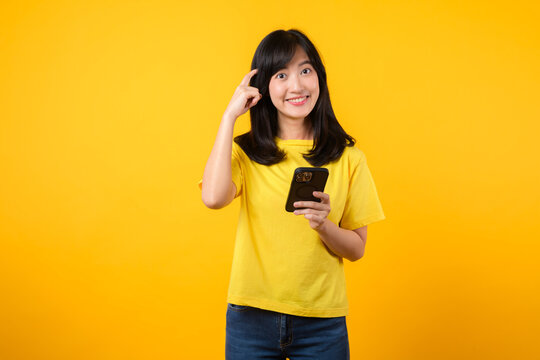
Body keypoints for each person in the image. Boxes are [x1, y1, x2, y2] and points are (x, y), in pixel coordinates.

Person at [199, 29, 385, 360]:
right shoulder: (246, 152)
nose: (296, 85)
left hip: (322, 323)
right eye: (281, 75)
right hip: (250, 317)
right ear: (264, 87)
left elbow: (357, 249)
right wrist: (229, 117)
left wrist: (324, 224)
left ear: (319, 78)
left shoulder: (349, 157)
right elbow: (213, 198)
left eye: (305, 70)